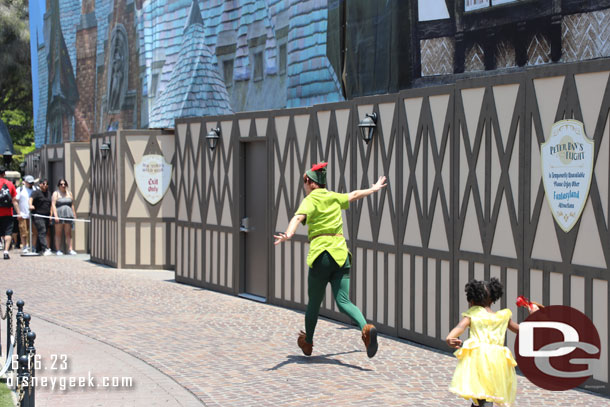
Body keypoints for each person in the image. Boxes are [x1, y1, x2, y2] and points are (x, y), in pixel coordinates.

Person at [274, 162, 387, 358]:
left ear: (310, 182)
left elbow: (298, 218)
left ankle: (308, 342)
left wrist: (288, 234)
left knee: (314, 303)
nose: (304, 186)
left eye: (304, 182)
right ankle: (366, 329)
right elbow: (353, 195)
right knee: (343, 300)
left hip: (322, 255)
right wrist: (374, 188)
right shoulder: (333, 196)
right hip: (341, 254)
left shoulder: (311, 199)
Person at [446, 278, 539, 407]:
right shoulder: (502, 317)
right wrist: (533, 316)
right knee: (485, 395)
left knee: (482, 396)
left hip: (477, 360)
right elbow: (522, 330)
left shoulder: (473, 314)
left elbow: (459, 328)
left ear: (472, 301)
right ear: (493, 298)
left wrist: (450, 338)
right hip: (497, 362)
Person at [51, 179, 77, 255]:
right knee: (58, 233)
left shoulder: (69, 193)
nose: (63, 185)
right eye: (61, 184)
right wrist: (55, 215)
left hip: (68, 214)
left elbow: (72, 204)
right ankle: (58, 250)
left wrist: (74, 214)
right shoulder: (56, 193)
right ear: (58, 185)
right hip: (59, 214)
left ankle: (70, 249)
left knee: (68, 233)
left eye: (64, 184)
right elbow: (53, 204)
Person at [29, 178, 53, 256]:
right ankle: (45, 249)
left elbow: (51, 204)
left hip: (46, 215)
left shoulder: (49, 193)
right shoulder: (36, 192)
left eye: (46, 184)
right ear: (40, 184)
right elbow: (30, 199)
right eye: (43, 183)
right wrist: (30, 205)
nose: (45, 185)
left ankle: (39, 248)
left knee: (45, 232)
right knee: (42, 230)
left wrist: (51, 215)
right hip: (38, 215)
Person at [0, 166, 19, 259]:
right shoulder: (10, 184)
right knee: (8, 233)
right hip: (8, 212)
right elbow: (14, 200)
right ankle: (6, 251)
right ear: (4, 174)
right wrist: (18, 213)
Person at [16, 175, 36, 253]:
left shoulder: (35, 189)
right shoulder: (20, 190)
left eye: (32, 183)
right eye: (29, 183)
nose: (31, 184)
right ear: (25, 182)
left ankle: (33, 246)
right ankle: (24, 246)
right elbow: (16, 201)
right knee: (23, 231)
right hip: (23, 214)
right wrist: (18, 213)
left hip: (33, 215)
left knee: (34, 232)